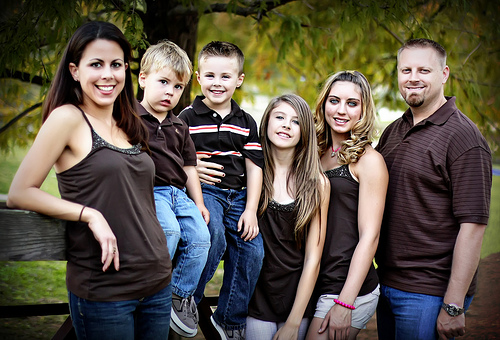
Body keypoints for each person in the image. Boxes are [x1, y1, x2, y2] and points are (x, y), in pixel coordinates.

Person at [6, 21, 173, 339]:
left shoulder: (129, 123)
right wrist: (89, 214)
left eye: (116, 64)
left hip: (157, 283)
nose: (108, 74)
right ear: (75, 70)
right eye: (96, 64)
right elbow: (19, 192)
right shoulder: (67, 118)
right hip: (105, 290)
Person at [375, 38, 492, 340]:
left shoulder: (464, 138)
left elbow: (474, 226)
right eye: (406, 70)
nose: (413, 78)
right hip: (386, 281)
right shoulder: (394, 130)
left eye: (424, 70)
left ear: (444, 74)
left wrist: (453, 304)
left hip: (429, 292)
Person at [178, 40, 264, 340]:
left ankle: (229, 319)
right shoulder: (186, 118)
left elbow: (255, 165)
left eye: (226, 76)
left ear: (239, 80)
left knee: (253, 250)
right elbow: (173, 159)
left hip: (239, 197)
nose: (217, 83)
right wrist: (192, 166)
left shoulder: (246, 122)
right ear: (199, 78)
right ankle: (188, 298)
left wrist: (251, 209)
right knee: (210, 233)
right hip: (206, 193)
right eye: (210, 76)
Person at [306, 71, 388, 340]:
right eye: (334, 101)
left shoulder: (368, 161)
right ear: (322, 104)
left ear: (364, 110)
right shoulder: (313, 154)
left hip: (347, 286)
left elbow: (370, 236)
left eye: (352, 103)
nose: (341, 110)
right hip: (311, 278)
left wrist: (345, 303)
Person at [137, 40, 210, 338]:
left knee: (201, 239)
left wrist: (200, 203)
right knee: (169, 232)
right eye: (163, 82)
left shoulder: (179, 125)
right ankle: (147, 289)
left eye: (178, 87)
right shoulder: (128, 117)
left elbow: (190, 167)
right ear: (143, 78)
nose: (170, 91)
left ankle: (177, 295)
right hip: (150, 192)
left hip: (178, 194)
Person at [246, 94, 330, 340]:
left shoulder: (317, 184)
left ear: (304, 132)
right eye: (280, 117)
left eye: (295, 121)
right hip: (256, 296)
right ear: (267, 122)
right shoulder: (250, 174)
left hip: (298, 300)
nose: (286, 125)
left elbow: (313, 259)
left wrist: (294, 322)